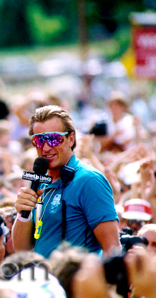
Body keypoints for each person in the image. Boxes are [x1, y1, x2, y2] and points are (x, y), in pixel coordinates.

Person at [13, 105, 120, 259]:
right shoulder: (40, 182)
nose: (46, 147)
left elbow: (112, 250)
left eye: (54, 139)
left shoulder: (89, 180)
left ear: (71, 139)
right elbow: (21, 250)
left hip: (77, 281)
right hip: (44, 281)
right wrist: (23, 214)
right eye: (39, 140)